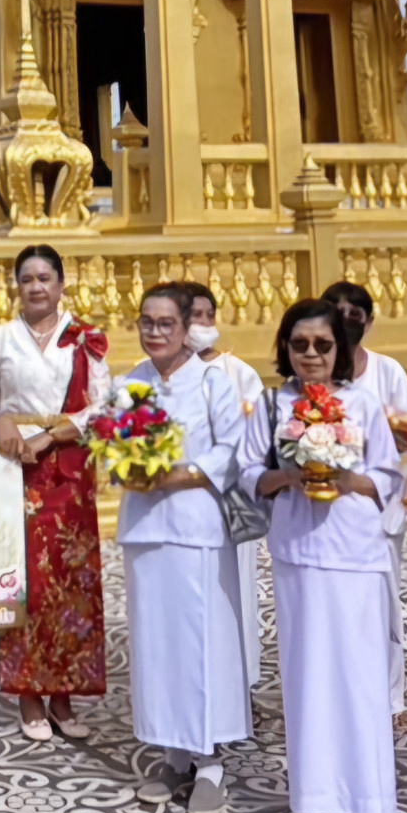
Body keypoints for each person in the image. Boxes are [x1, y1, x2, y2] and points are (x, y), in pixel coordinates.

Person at [249, 298, 405, 813]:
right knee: (311, 678)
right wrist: (290, 474)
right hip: (300, 554)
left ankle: (371, 805)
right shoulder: (272, 406)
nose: (311, 355)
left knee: (362, 680)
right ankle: (322, 805)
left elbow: (389, 474)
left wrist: (348, 479)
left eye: (322, 345)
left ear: (340, 348)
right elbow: (249, 475)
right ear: (285, 349)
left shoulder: (363, 403)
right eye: (299, 345)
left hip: (357, 552)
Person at [117, 285, 250, 813]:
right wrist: (125, 466)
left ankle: (210, 760)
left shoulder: (212, 381)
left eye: (165, 323)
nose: (155, 332)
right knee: (157, 643)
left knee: (201, 643)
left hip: (196, 528)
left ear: (184, 328)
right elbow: (114, 441)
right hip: (147, 528)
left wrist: (181, 475)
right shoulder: (132, 384)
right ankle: (172, 754)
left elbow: (231, 450)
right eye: (147, 322)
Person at [0, 244, 111, 741]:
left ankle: (64, 692)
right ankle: (28, 692)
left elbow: (103, 407)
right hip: (17, 468)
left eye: (45, 278)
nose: (36, 287)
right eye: (27, 278)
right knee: (25, 578)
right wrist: (0, 422)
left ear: (61, 283)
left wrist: (51, 435)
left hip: (69, 468)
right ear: (17, 285)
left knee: (71, 580)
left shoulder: (85, 340)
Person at [322, 281, 407, 736]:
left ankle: (390, 698)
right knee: (329, 609)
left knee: (382, 606)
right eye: (336, 311)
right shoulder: (313, 371)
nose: (346, 319)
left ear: (368, 320)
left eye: (355, 312)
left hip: (378, 508)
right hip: (323, 511)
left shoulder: (387, 371)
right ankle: (334, 693)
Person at [178, 281, 267, 690]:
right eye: (194, 316)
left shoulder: (238, 372)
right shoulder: (167, 375)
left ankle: (241, 684)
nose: (202, 324)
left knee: (236, 591)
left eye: (208, 316)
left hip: (230, 500)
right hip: (179, 498)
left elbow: (258, 435)